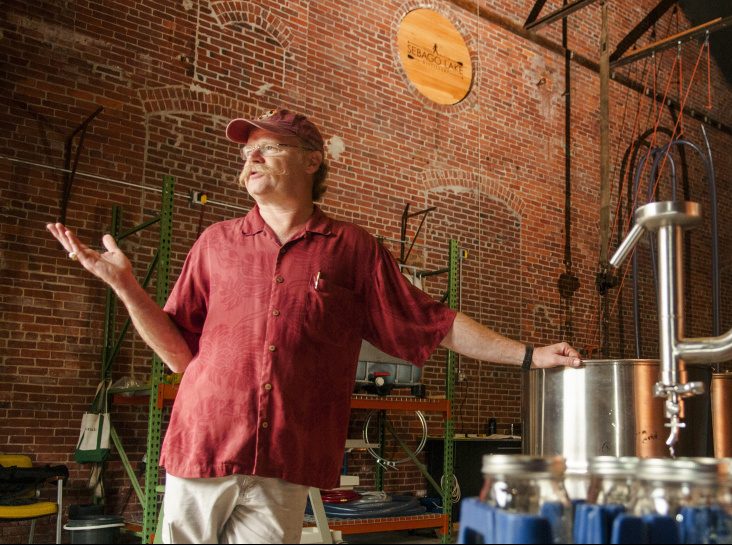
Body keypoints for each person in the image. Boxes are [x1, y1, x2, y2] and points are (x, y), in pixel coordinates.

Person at [47, 108, 582, 544]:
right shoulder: (215, 243)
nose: (250, 157)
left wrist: (531, 356)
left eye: (269, 147)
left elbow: (431, 322)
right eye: (245, 151)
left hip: (287, 455)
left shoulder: (353, 249)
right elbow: (179, 354)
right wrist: (125, 287)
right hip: (205, 445)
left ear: (311, 161)